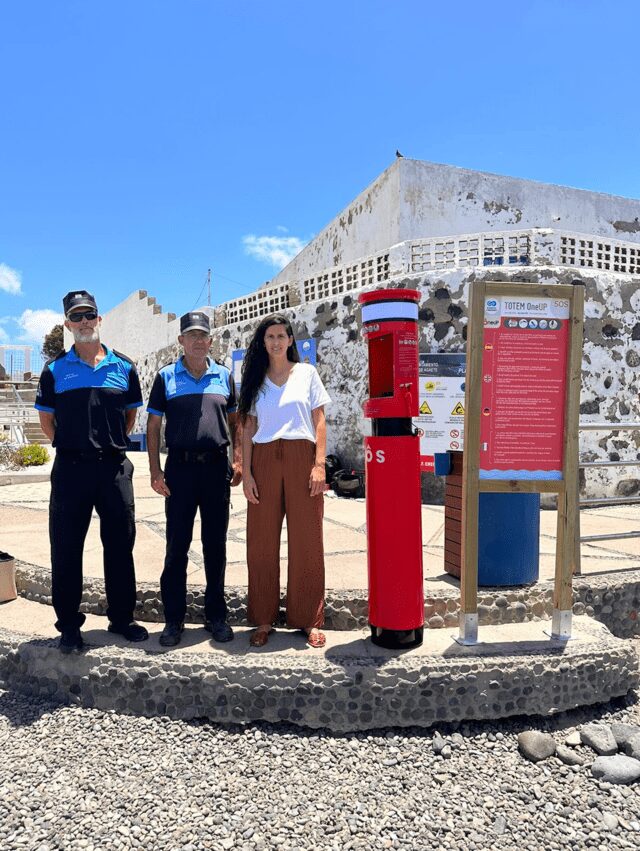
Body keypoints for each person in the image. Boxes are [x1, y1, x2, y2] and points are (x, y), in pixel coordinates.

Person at [35, 290, 149, 653]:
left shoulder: (124, 367)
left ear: (99, 319)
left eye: (90, 315)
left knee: (119, 545)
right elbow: (47, 423)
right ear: (67, 324)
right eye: (76, 317)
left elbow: (130, 418)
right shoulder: (54, 370)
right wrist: (75, 446)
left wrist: (107, 443)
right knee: (67, 548)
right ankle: (69, 624)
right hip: (71, 470)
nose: (84, 322)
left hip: (114, 469)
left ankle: (121, 618)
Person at [147, 311, 242, 647]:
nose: (199, 341)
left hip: (216, 469)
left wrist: (239, 459)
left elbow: (235, 423)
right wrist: (155, 471)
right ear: (181, 341)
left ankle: (216, 616)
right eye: (192, 336)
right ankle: (174, 619)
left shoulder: (224, 376)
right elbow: (154, 426)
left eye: (204, 335)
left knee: (215, 546)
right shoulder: (165, 377)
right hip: (180, 470)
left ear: (210, 341)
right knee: (177, 547)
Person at [239, 315, 330, 648]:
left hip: (300, 457)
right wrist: (247, 472)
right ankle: (263, 619)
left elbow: (319, 421)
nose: (275, 342)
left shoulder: (307, 374)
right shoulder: (254, 380)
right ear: (262, 343)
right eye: (269, 337)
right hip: (263, 460)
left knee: (307, 539)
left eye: (281, 335)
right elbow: (247, 429)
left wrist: (319, 465)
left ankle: (309, 619)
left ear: (291, 340)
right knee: (260, 542)